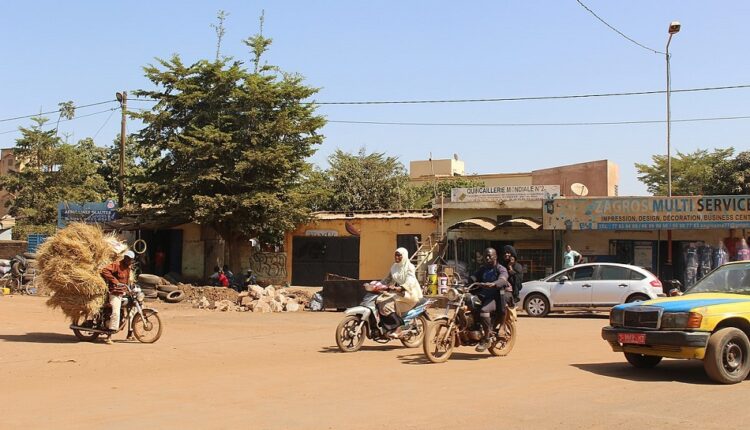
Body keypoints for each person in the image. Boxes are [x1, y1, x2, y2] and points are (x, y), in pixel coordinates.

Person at [376, 247, 423, 338]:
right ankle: (386, 328)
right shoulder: (394, 266)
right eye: (395, 255)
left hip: (410, 293)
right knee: (379, 301)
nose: (396, 257)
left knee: (386, 306)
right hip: (399, 292)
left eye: (399, 255)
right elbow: (388, 279)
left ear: (404, 256)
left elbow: (411, 280)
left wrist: (400, 288)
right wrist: (377, 285)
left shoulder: (410, 267)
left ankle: (398, 328)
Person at [470, 247, 510, 352]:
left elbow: (503, 279)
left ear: (495, 256)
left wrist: (495, 284)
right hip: (483, 295)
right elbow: (474, 277)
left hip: (495, 297)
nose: (487, 258)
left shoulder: (500, 268)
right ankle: (473, 326)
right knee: (467, 300)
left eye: (489, 255)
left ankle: (487, 338)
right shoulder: (483, 269)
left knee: (484, 311)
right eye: (485, 256)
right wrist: (465, 280)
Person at [100, 250, 135, 345]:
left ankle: (130, 333)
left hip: (124, 292)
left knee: (132, 311)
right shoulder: (117, 265)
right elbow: (105, 270)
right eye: (128, 259)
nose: (129, 261)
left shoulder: (129, 267)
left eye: (131, 260)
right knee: (116, 312)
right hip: (115, 292)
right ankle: (109, 336)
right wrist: (115, 281)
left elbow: (128, 280)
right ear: (125, 258)